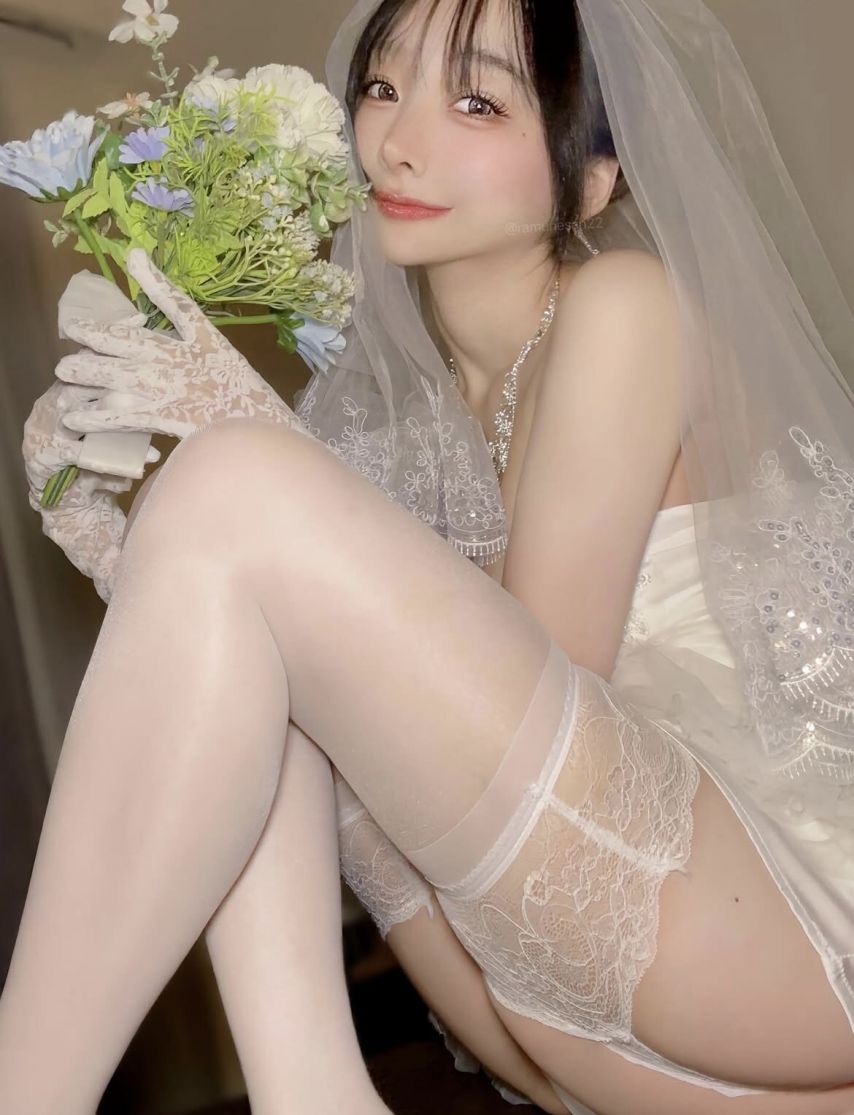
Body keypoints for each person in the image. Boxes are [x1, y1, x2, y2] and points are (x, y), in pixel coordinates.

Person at [10, 1, 854, 1114]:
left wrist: (251, 454)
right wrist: (125, 540)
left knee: (237, 479)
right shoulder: (402, 428)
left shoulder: (624, 306)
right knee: (246, 605)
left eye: (477, 101)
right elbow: (370, 735)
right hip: (564, 1008)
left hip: (777, 929)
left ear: (592, 180)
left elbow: (533, 685)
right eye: (381, 87)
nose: (399, 141)